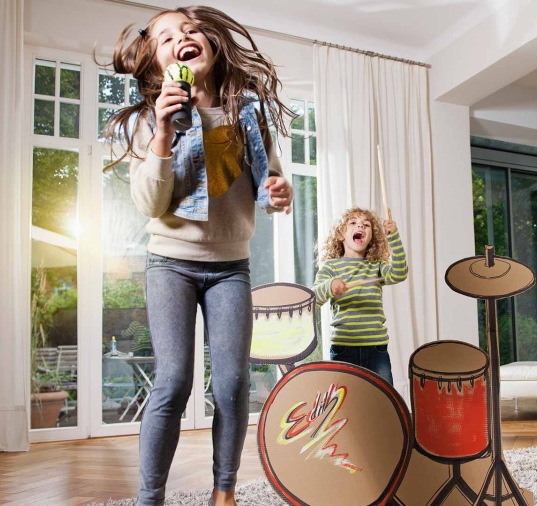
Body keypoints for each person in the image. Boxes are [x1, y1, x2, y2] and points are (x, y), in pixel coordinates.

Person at [101, 6, 294, 506]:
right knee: (173, 382)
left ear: (209, 43)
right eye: (166, 38)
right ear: (156, 65)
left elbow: (269, 179)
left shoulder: (247, 113)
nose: (181, 38)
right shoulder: (150, 119)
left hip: (231, 266)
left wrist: (278, 190)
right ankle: (150, 498)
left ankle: (224, 491)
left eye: (189, 29)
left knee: (232, 385)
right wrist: (165, 132)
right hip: (171, 264)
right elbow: (150, 202)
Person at [313, 207, 408, 384]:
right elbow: (313, 300)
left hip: (376, 349)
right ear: (341, 234)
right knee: (345, 402)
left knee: (381, 400)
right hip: (343, 348)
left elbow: (400, 273)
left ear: (371, 237)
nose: (361, 226)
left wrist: (393, 237)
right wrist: (330, 286)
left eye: (366, 225)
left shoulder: (376, 266)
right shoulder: (331, 267)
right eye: (353, 223)